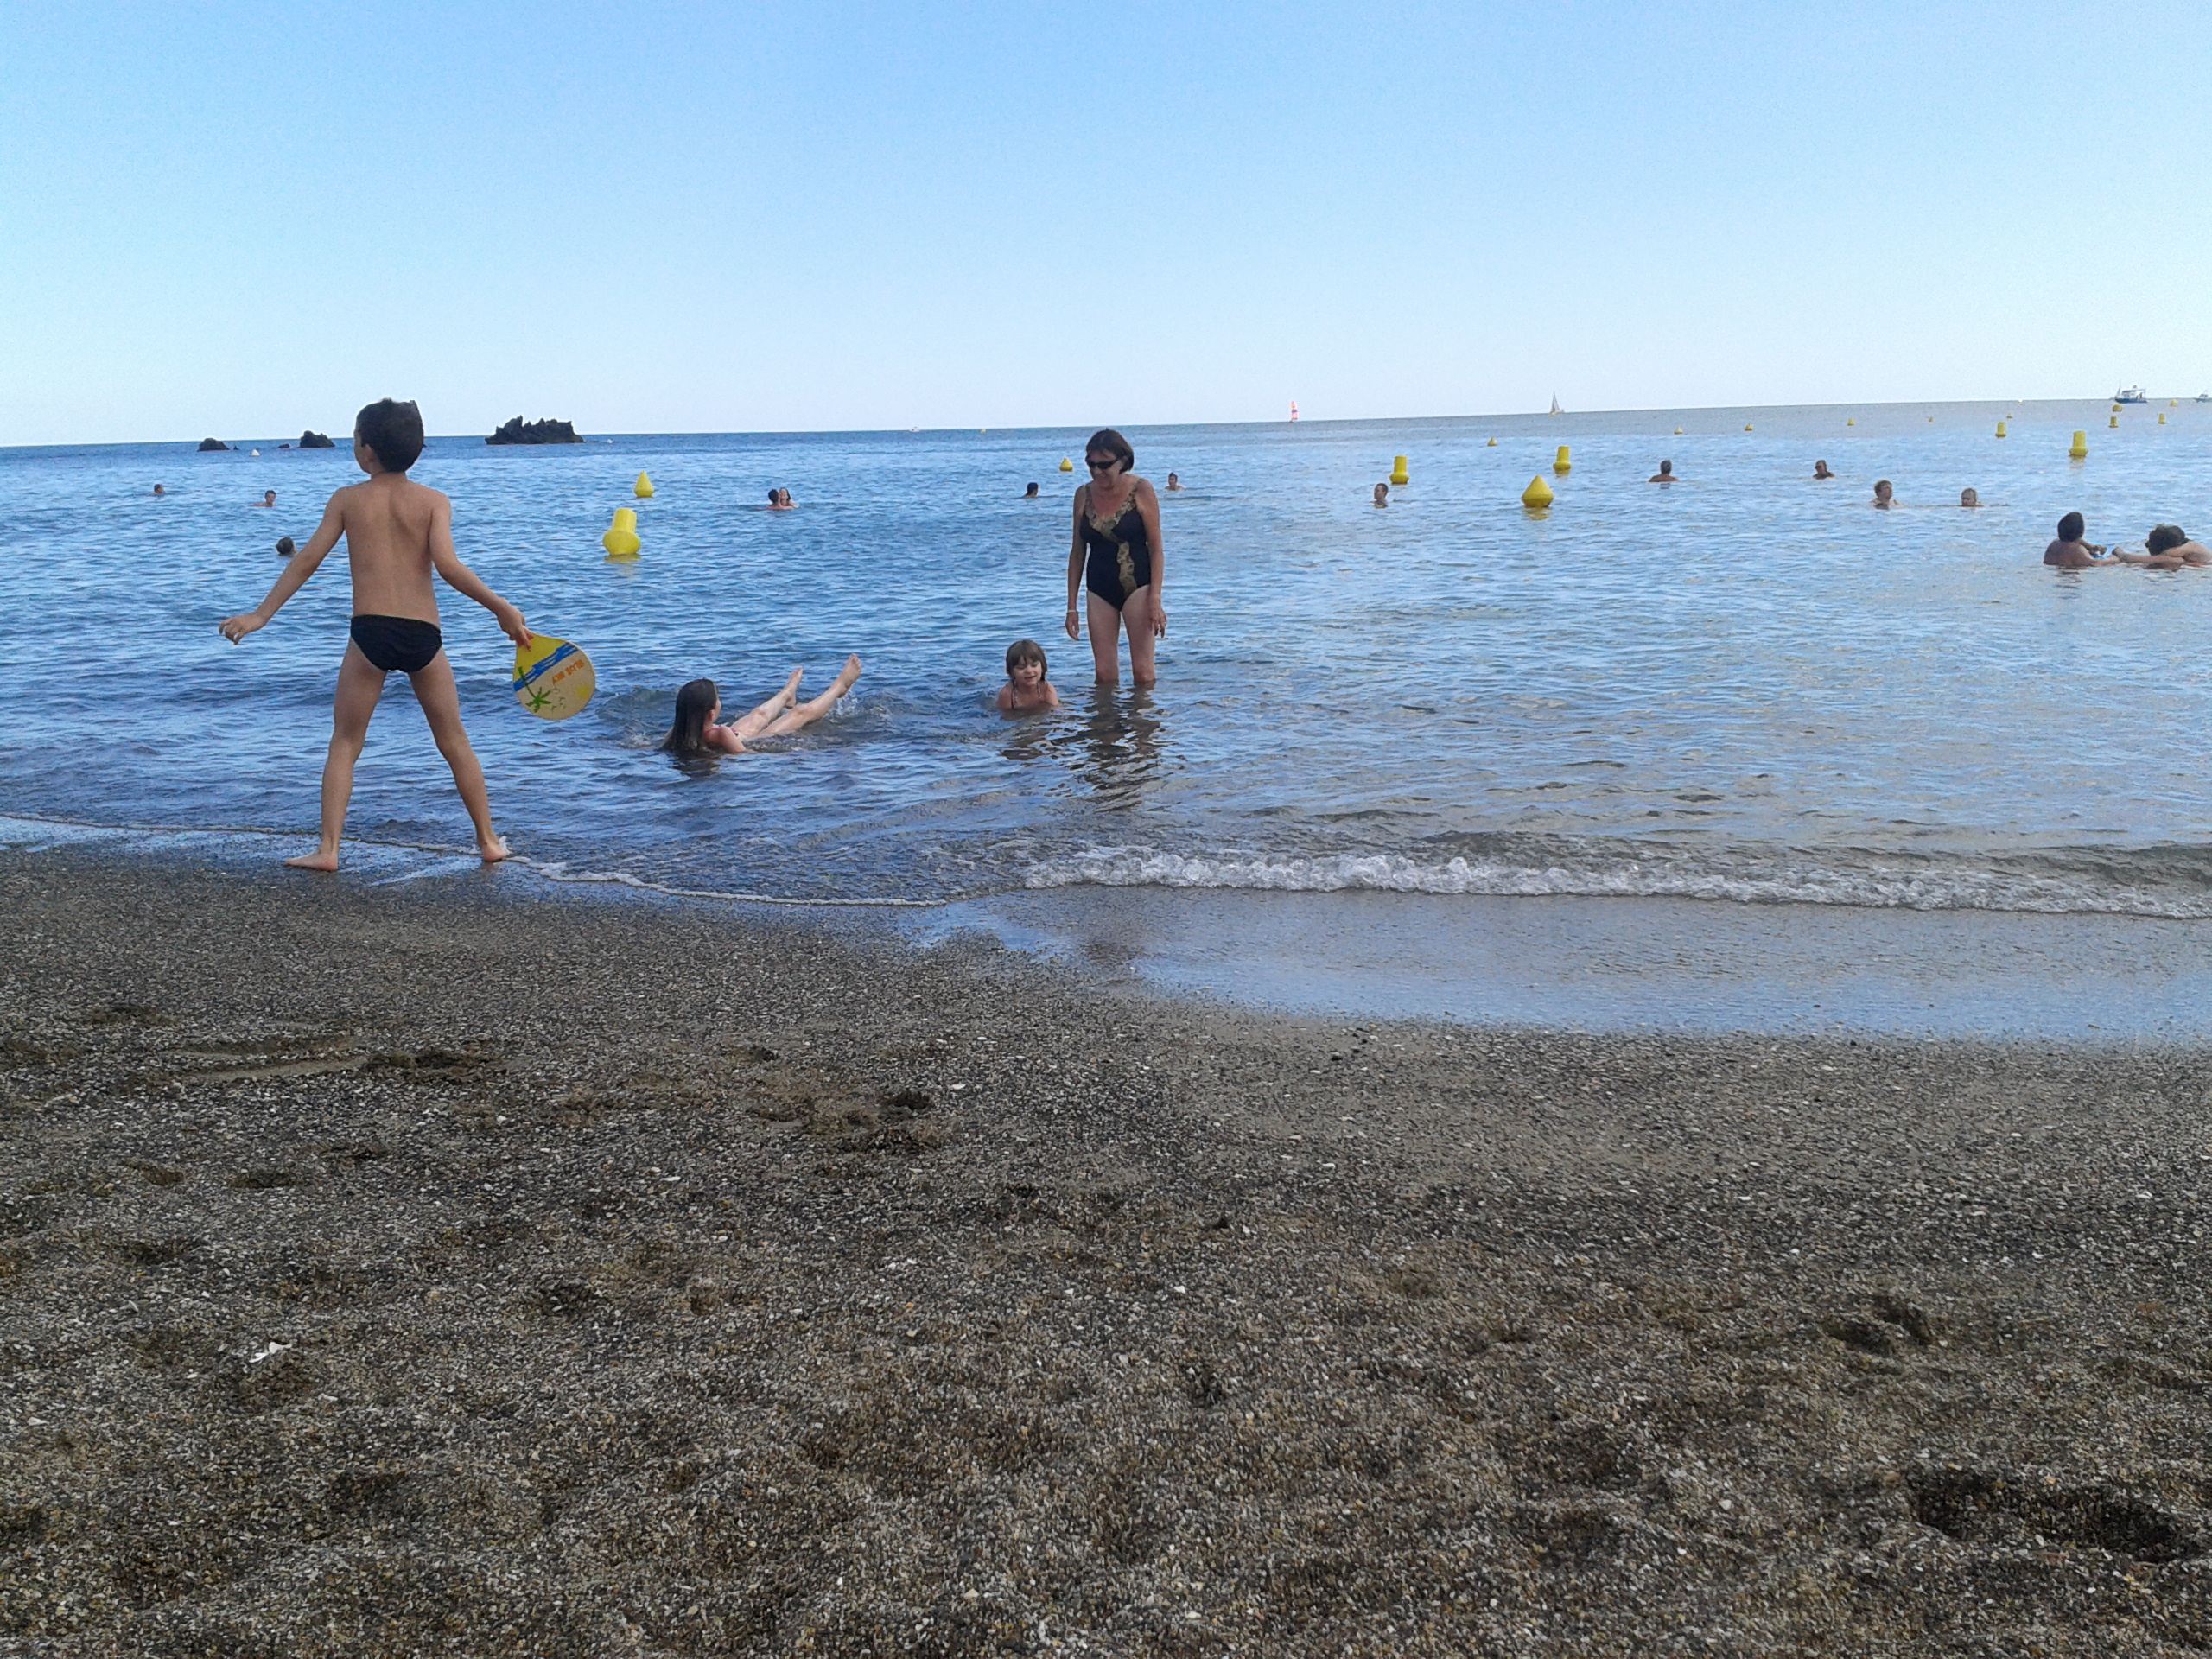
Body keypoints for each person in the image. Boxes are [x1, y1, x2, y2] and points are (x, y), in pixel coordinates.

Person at [218, 398, 531, 870]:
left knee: (346, 742)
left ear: (365, 451)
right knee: (454, 741)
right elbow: (448, 567)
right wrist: (501, 609)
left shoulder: (347, 500)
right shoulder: (433, 502)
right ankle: (488, 841)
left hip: (370, 633)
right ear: (417, 450)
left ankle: (328, 849)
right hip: (423, 634)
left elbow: (307, 560)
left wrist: (262, 615)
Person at [1065, 428, 1165, 687]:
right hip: (1099, 587)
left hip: (1139, 586)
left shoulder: (1141, 489)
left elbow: (1156, 548)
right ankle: (1104, 715)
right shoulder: (1082, 495)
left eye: (1105, 465)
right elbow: (1077, 552)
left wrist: (1155, 598)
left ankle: (1145, 714)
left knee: (1143, 673)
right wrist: (1071, 607)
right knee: (1104, 675)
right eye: (1091, 465)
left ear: (1123, 461)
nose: (1097, 471)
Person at [660, 658, 863, 756]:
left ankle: (787, 693)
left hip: (737, 734)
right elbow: (746, 754)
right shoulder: (721, 733)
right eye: (718, 698)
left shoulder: (677, 732)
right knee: (800, 713)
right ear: (712, 714)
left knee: (758, 713)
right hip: (757, 740)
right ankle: (839, 686)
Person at [997, 639, 1058, 712]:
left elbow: (1055, 713)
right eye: (1021, 667)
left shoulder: (1047, 689)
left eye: (1034, 665)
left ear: (1043, 667)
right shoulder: (1007, 694)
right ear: (1011, 672)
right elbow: (1006, 716)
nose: (1029, 671)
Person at [2043, 512, 2113, 569]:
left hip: (2057, 567)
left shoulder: (2054, 544)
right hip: (2073, 570)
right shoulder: (2076, 550)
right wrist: (2114, 558)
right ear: (2081, 532)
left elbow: (2075, 540)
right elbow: (2096, 563)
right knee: (2117, 553)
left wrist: (2091, 547)